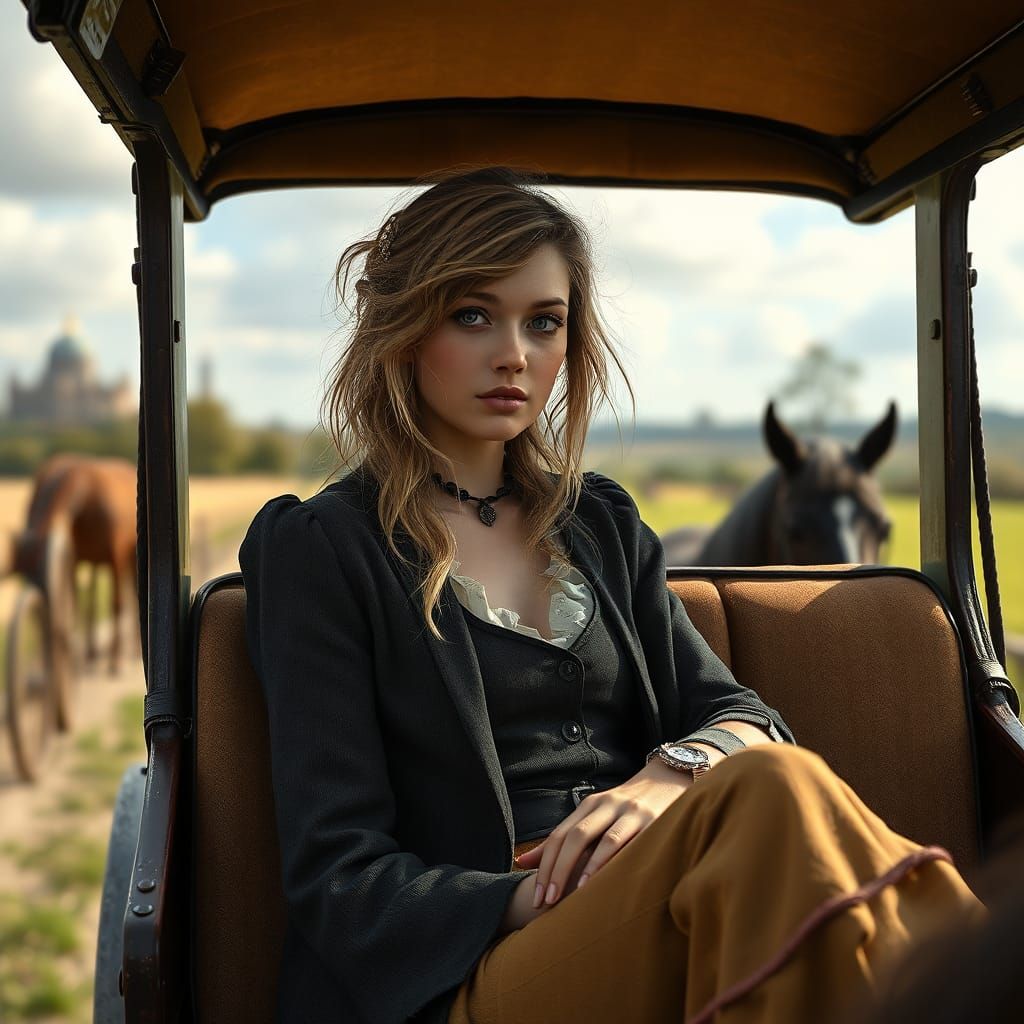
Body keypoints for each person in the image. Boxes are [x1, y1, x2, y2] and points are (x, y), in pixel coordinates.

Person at [239, 167, 982, 1024]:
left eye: (544, 322)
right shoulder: (323, 549)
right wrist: (551, 889)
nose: (514, 353)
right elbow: (341, 876)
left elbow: (742, 716)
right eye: (473, 314)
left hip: (657, 908)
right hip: (467, 968)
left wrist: (667, 777)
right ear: (404, 331)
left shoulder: (597, 522)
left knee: (775, 791)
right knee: (774, 792)